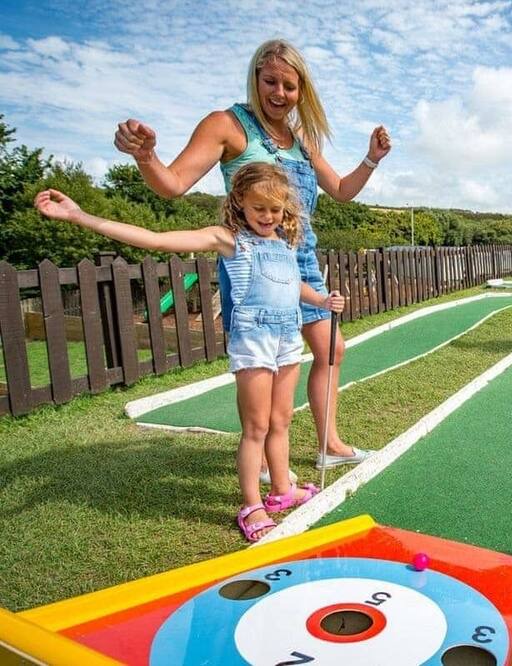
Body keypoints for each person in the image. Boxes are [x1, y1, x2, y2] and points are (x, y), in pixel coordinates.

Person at [113, 39, 390, 484]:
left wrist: (370, 160)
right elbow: (172, 184)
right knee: (264, 362)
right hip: (255, 265)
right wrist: (146, 157)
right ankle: (259, 455)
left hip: (300, 257)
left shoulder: (301, 137)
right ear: (255, 77)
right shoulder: (227, 125)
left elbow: (340, 188)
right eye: (270, 82)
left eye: (290, 86)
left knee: (331, 349)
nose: (279, 93)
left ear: (303, 91)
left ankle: (329, 446)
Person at [35, 163, 345, 542]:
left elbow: (294, 285)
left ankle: (281, 490)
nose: (267, 216)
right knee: (257, 427)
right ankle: (252, 505)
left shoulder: (283, 244)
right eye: (259, 207)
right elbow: (156, 239)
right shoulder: (227, 239)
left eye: (276, 209)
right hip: (255, 342)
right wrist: (80, 216)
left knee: (281, 420)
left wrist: (323, 299)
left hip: (287, 340)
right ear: (240, 204)